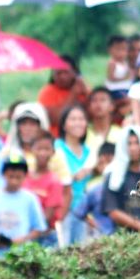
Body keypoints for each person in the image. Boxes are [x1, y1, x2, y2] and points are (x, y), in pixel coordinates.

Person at [0, 155, 47, 256]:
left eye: (18, 176)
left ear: (24, 176)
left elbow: (39, 228)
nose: (14, 178)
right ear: (3, 174)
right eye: (11, 175)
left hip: (19, 254)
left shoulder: (30, 198)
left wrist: (19, 240)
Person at [102, 125, 140, 234]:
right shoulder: (114, 177)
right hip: (123, 237)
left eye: (137, 143)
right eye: (129, 143)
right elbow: (112, 211)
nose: (133, 148)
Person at [56, 104, 93, 246]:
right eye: (73, 119)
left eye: (81, 119)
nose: (78, 123)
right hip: (63, 210)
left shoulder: (88, 151)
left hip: (83, 212)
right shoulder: (56, 147)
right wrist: (75, 175)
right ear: (63, 125)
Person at [25, 135, 67, 247]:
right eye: (39, 148)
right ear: (31, 150)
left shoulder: (54, 181)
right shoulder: (25, 178)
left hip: (45, 237)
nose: (42, 153)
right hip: (25, 233)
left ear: (53, 152)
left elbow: (47, 216)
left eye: (47, 149)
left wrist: (29, 235)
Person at [71, 142, 117, 238]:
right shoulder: (94, 188)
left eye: (109, 162)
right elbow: (79, 212)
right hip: (101, 237)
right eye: (101, 163)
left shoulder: (126, 185)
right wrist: (95, 225)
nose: (105, 167)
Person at [37, 55, 88, 134]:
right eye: (58, 73)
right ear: (53, 75)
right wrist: (73, 95)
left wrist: (87, 92)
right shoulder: (47, 92)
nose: (62, 76)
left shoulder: (82, 89)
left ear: (75, 73)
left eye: (66, 72)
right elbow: (55, 119)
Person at [84, 87, 121, 154]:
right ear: (89, 107)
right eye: (94, 100)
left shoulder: (121, 132)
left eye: (103, 100)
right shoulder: (83, 133)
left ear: (112, 106)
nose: (98, 104)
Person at [104, 35, 133, 100]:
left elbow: (129, 74)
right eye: (118, 49)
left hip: (125, 87)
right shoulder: (112, 63)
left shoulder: (125, 63)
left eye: (124, 49)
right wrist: (124, 78)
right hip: (114, 89)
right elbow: (111, 78)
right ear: (110, 50)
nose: (121, 53)